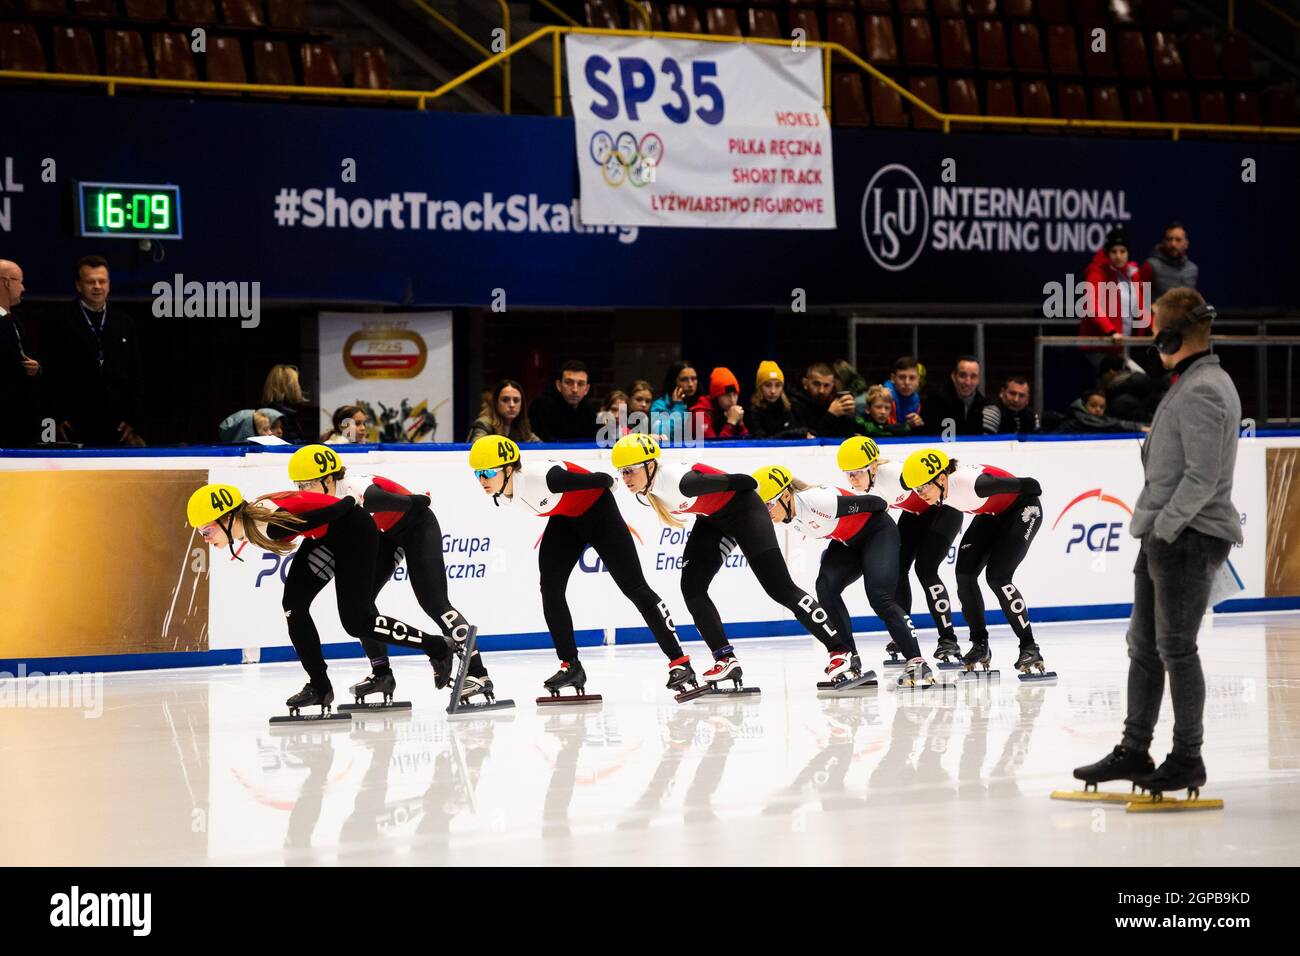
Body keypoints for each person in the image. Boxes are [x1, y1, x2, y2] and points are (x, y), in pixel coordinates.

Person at [1073, 289, 1240, 799]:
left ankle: (1187, 757)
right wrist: (1157, 532)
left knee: (1175, 649)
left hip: (1186, 537)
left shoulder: (1205, 389)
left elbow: (1203, 477)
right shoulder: (1193, 382)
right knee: (1144, 648)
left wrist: (1165, 529)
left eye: (1156, 333)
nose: (1151, 342)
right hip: (1166, 536)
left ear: (1171, 336)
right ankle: (1135, 748)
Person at [185, 482, 457, 714]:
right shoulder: (256, 515)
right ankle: (319, 686)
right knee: (294, 606)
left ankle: (437, 647)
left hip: (354, 531)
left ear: (227, 517)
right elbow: (310, 517)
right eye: (201, 533)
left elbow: (319, 516)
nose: (205, 539)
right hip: (326, 535)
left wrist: (348, 502)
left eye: (206, 531)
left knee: (356, 621)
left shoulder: (269, 525)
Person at [612, 434, 849, 689]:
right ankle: (725, 659)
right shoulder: (650, 491)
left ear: (649, 466)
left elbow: (746, 482)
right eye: (621, 473)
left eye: (629, 471)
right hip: (712, 521)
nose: (625, 479)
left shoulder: (682, 482)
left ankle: (840, 650)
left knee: (780, 589)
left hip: (746, 513)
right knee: (692, 588)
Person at [468, 435, 694, 696]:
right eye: (478, 475)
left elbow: (602, 480)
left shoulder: (544, 478)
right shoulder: (505, 489)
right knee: (550, 588)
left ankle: (680, 662)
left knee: (635, 587)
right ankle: (570, 665)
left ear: (509, 469)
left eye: (487, 473)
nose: (483, 480)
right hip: (565, 518)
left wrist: (611, 479)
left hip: (599, 514)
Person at [286, 444, 496, 707]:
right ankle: (381, 673)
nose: (301, 491)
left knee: (434, 602)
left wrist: (413, 501)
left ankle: (479, 675)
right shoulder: (321, 499)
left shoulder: (351, 486)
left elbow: (377, 498)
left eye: (306, 485)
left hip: (416, 524)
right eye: (298, 485)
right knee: (361, 605)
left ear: (329, 479)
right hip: (382, 536)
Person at [753, 464, 932, 687]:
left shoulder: (818, 501)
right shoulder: (787, 518)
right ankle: (849, 657)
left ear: (787, 496)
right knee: (825, 587)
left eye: (769, 504)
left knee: (879, 597)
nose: (767, 512)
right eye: (762, 507)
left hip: (877, 533)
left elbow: (877, 504)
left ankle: (916, 661)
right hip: (846, 541)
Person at [899, 448, 1050, 678]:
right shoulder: (941, 488)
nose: (920, 494)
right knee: (965, 575)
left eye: (923, 488)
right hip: (991, 513)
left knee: (998, 577)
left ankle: (1029, 647)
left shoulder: (976, 485)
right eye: (916, 489)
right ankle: (980, 645)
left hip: (1023, 508)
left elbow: (1032, 485)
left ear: (941, 479)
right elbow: (904, 479)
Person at [837, 437, 964, 664]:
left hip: (944, 510)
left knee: (925, 569)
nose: (852, 479)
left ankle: (948, 639)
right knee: (897, 568)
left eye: (857, 472)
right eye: (847, 473)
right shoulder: (867, 482)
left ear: (873, 467)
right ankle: (903, 633)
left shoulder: (895, 474)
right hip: (916, 513)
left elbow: (940, 480)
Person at [40, 256, 143, 446]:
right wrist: (56, 416)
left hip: (117, 427)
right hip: (74, 424)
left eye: (102, 281)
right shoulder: (58, 321)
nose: (97, 286)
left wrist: (133, 420)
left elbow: (135, 373)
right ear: (79, 285)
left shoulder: (124, 321)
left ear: (109, 285)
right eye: (90, 282)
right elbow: (49, 373)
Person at [1081, 227, 1146, 366]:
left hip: (1125, 347)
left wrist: (1153, 330)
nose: (1118, 256)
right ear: (1107, 253)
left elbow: (1142, 308)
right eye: (1113, 252)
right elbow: (1092, 305)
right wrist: (1110, 331)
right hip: (1101, 346)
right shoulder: (1097, 273)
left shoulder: (1134, 273)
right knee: (1115, 384)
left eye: (1122, 251)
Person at [0, 259, 40, 446]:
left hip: (21, 423)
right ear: (7, 282)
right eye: (20, 281)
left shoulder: (16, 320)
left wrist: (36, 369)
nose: (23, 288)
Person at [528, 360, 597, 442]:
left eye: (580, 384)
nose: (575, 389)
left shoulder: (590, 412)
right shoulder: (541, 407)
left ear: (586, 389)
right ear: (559, 385)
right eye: (569, 383)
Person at [787, 362, 859, 437]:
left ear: (833, 385)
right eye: (816, 384)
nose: (821, 390)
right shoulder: (794, 404)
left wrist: (849, 416)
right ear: (805, 383)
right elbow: (811, 437)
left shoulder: (835, 402)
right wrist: (831, 415)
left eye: (827, 385)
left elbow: (845, 435)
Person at [921, 356, 988, 436]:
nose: (967, 382)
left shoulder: (985, 406)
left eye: (973, 376)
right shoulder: (934, 403)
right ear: (953, 376)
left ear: (978, 380)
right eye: (963, 375)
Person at [745, 360, 806, 439]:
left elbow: (804, 429)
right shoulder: (752, 411)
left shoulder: (790, 407)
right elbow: (761, 442)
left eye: (778, 385)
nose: (773, 391)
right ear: (760, 388)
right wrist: (791, 434)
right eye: (768, 385)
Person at [1139, 221, 1199, 301]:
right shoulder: (1149, 266)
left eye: (1178, 240)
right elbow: (1140, 305)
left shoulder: (1192, 269)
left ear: (1186, 243)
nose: (1173, 244)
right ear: (1163, 242)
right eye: (1169, 239)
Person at [467, 379, 538, 443]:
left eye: (516, 400)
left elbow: (541, 448)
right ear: (496, 403)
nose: (512, 405)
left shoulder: (522, 427)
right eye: (505, 400)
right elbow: (477, 449)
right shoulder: (484, 424)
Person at [261, 364, 315, 443]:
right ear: (289, 386)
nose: (298, 386)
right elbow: (293, 443)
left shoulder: (269, 411)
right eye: (296, 383)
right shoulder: (283, 415)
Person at [690, 366, 748, 439]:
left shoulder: (728, 410)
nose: (732, 400)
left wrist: (740, 424)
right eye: (727, 395)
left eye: (735, 394)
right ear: (716, 396)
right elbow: (712, 448)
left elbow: (746, 444)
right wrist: (730, 423)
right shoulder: (699, 415)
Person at [649, 361, 699, 445]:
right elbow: (664, 436)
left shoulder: (701, 402)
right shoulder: (659, 405)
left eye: (693, 379)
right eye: (684, 379)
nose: (690, 384)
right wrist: (678, 407)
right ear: (674, 381)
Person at [1058, 390, 1148, 433]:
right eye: (1093, 405)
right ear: (1084, 405)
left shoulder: (1100, 420)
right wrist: (1139, 427)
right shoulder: (1078, 418)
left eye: (1102, 407)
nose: (1098, 409)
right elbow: (1112, 424)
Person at [882, 356, 924, 430]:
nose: (907, 382)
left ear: (918, 380)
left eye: (912, 378)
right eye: (901, 377)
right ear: (893, 378)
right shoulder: (884, 396)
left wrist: (917, 423)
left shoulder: (916, 398)